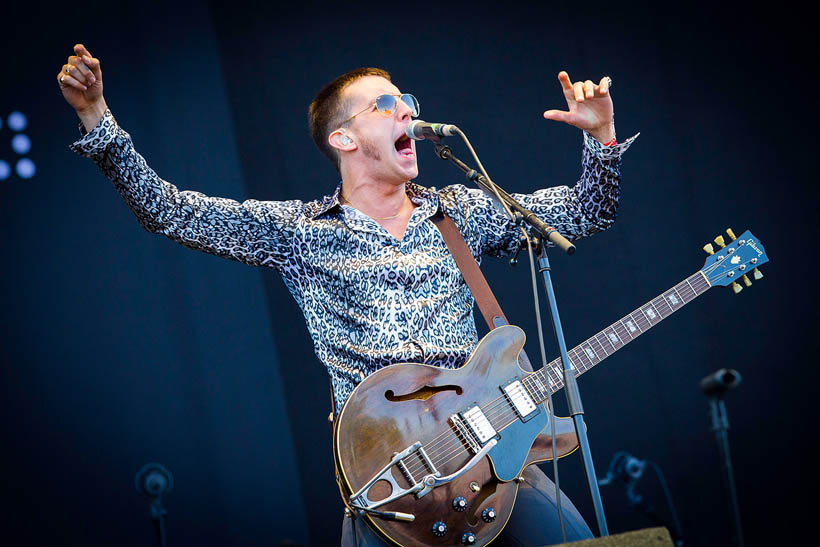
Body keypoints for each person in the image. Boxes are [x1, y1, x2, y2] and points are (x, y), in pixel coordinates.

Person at [58, 43, 636, 546]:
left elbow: (587, 212)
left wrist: (601, 138)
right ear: (344, 137)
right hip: (387, 472)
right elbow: (170, 212)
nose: (406, 110)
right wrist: (97, 118)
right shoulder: (302, 231)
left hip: (486, 460)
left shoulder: (461, 211)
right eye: (386, 105)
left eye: (406, 100)